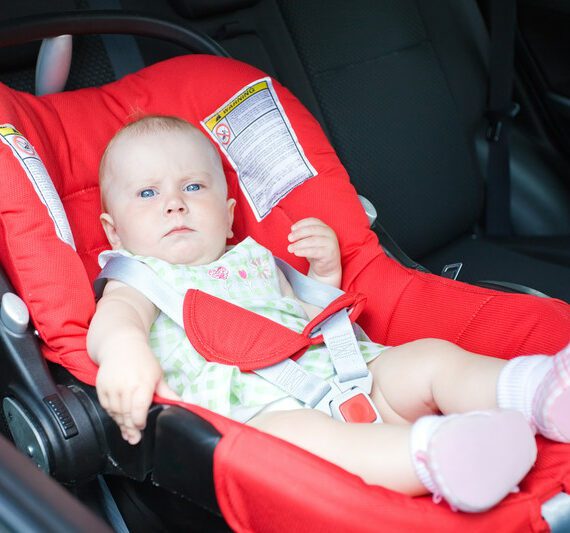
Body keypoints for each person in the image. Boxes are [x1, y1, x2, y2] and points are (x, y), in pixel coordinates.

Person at [87, 115, 570, 513]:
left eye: (193, 186)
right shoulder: (140, 277)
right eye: (148, 194)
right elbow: (115, 320)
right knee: (303, 443)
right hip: (262, 412)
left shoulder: (254, 257)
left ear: (229, 213)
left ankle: (536, 390)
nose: (175, 204)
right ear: (114, 231)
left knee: (431, 358)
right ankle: (445, 455)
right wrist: (125, 354)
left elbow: (304, 315)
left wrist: (324, 272)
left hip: (353, 371)